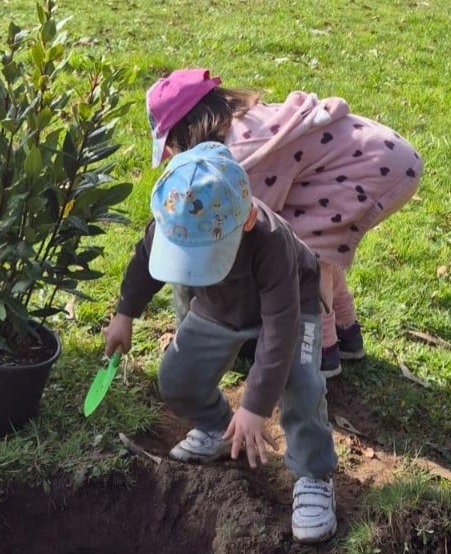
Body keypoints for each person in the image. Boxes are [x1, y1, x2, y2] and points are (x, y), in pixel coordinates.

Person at [104, 142, 338, 544]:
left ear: (245, 221)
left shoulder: (271, 241)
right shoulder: (173, 218)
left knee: (301, 385)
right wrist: (125, 313)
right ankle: (217, 428)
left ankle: (313, 474)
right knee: (177, 377)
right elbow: (144, 262)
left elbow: (280, 332)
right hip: (219, 308)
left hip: (291, 311)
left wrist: (253, 407)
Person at [146, 68, 423, 377]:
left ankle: (321, 353)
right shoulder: (242, 121)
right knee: (322, 246)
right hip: (383, 157)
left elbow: (252, 227)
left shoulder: (243, 160)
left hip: (371, 170)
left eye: (171, 147)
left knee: (302, 256)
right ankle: (347, 334)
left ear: (189, 130)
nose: (172, 157)